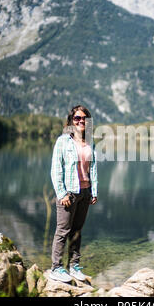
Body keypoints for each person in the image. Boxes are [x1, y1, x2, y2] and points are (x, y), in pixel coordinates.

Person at [49, 105, 98, 282]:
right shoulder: (63, 141)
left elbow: (92, 168)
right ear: (71, 121)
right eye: (77, 118)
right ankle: (56, 267)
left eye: (84, 118)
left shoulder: (90, 141)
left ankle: (74, 266)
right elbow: (56, 170)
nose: (81, 121)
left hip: (85, 192)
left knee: (77, 231)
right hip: (69, 193)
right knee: (63, 230)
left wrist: (93, 191)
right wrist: (61, 194)